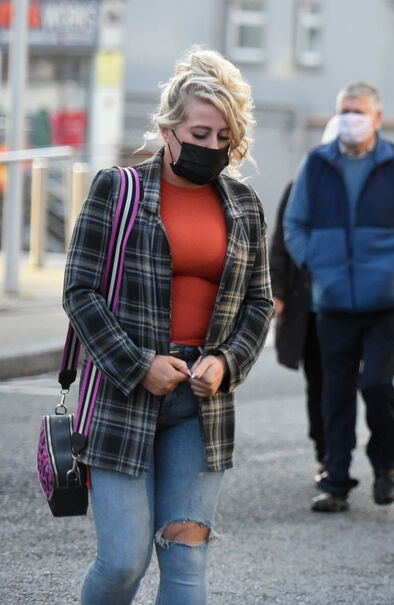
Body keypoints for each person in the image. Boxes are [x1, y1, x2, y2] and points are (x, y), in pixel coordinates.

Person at [62, 48, 273, 604]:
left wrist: (226, 363)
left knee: (186, 564)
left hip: (202, 404)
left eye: (223, 137)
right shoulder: (119, 188)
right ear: (167, 129)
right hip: (122, 395)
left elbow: (258, 303)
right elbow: (79, 292)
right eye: (199, 133)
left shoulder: (244, 205)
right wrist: (138, 365)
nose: (211, 148)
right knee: (124, 562)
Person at [284, 81, 394, 513]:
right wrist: (314, 261)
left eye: (358, 111)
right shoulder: (317, 164)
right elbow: (293, 225)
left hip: (387, 300)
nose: (350, 118)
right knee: (334, 393)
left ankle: (387, 463)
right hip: (333, 299)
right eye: (344, 111)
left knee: (374, 384)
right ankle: (335, 480)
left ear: (377, 117)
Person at [269, 117, 340, 483]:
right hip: (310, 309)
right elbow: (280, 244)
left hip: (349, 308)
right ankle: (325, 453)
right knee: (319, 383)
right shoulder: (299, 188)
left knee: (341, 383)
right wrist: (277, 292)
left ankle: (339, 451)